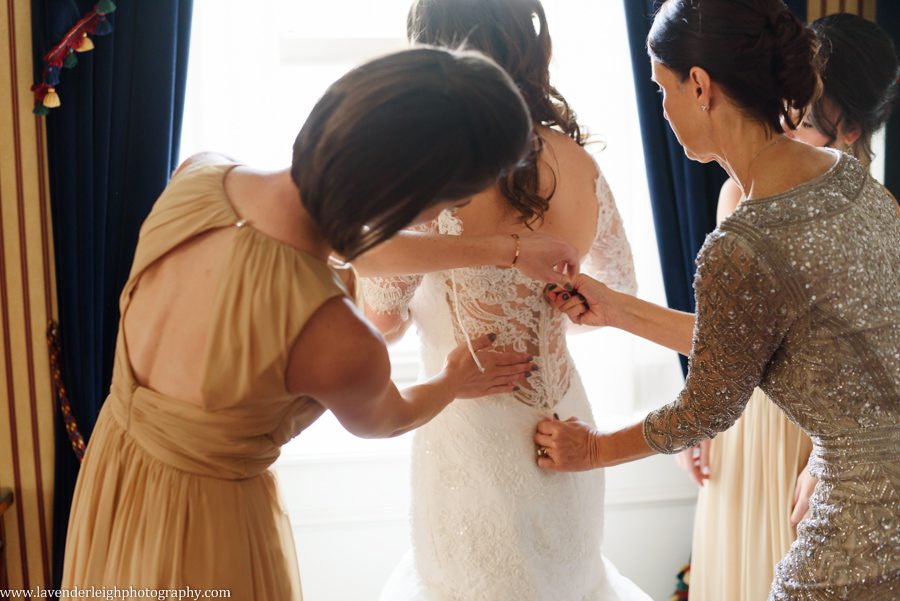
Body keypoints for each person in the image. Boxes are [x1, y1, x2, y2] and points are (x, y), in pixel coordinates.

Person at [61, 48, 550, 600]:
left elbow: (318, 246)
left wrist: (501, 251)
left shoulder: (197, 176)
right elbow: (384, 419)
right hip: (203, 532)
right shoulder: (338, 337)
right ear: (409, 201)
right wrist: (453, 378)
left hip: (112, 481)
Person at [534, 1, 900, 599]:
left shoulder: (743, 244)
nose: (663, 110)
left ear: (700, 86)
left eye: (663, 88)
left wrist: (591, 449)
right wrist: (616, 309)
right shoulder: (854, 182)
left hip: (856, 524)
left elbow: (705, 408)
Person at [358, 1, 648, 599]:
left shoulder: (429, 170)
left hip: (469, 437)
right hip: (566, 422)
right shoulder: (578, 165)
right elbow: (618, 293)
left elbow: (379, 325)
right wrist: (553, 313)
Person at [678, 12, 900, 600]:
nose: (781, 125)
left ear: (849, 129)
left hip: (810, 446)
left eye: (802, 117)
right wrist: (696, 417)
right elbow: (724, 331)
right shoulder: (736, 194)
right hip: (741, 431)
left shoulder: (877, 217)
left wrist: (831, 467)